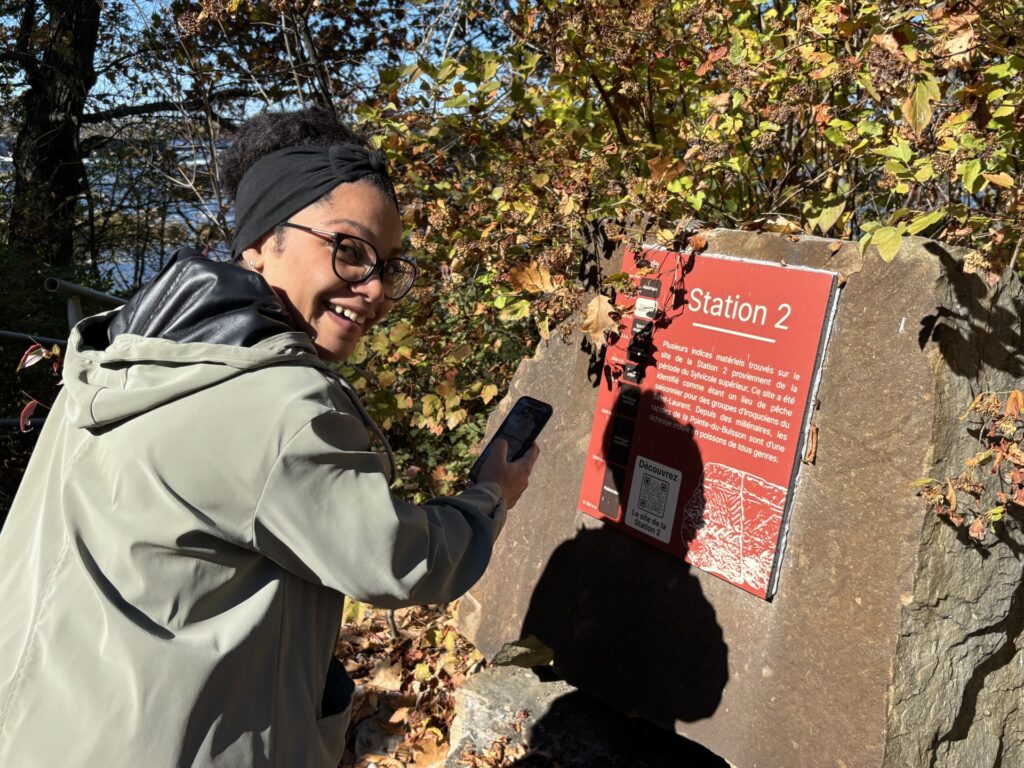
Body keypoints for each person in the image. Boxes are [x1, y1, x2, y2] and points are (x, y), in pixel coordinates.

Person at [0, 107, 538, 767]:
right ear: (260, 241)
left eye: (390, 266)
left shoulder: (126, 347)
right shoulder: (276, 404)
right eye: (348, 249)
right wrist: (488, 497)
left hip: (47, 724)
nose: (373, 287)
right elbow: (396, 561)